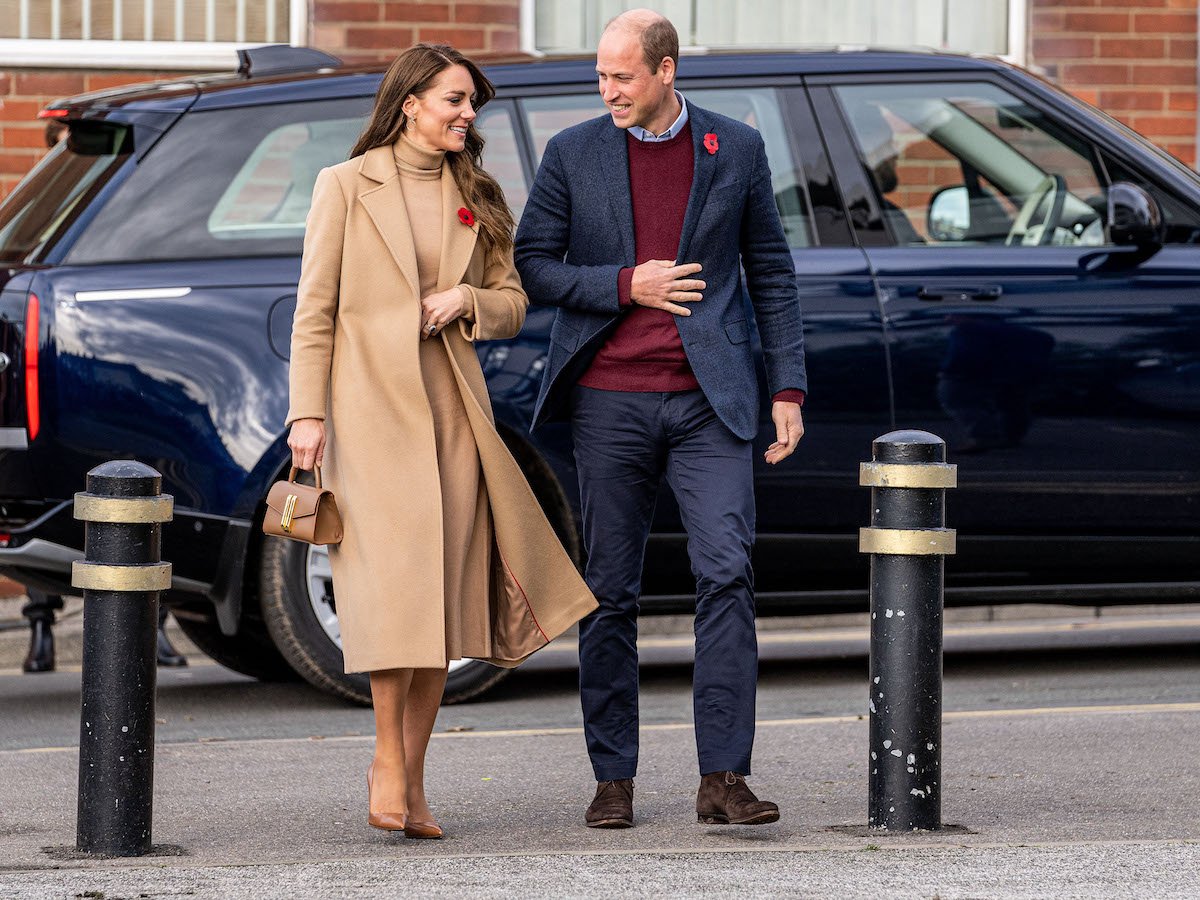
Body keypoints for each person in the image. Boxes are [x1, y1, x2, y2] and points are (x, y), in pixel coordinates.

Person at [286, 43, 596, 839]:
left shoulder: (477, 191)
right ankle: (388, 764)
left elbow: (514, 301)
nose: (467, 115)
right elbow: (314, 310)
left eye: (471, 105)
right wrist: (307, 417)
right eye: (455, 100)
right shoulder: (346, 187)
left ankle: (410, 784)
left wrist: (468, 299)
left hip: (454, 415)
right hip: (369, 415)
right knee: (392, 604)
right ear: (410, 102)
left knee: (440, 609)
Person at [514, 10, 807, 829]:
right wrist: (623, 285)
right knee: (610, 591)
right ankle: (614, 778)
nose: (607, 90)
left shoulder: (735, 149)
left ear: (667, 71)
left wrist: (788, 388)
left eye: (623, 76)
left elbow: (772, 275)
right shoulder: (572, 152)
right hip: (610, 401)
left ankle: (724, 778)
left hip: (711, 402)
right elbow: (533, 265)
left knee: (727, 572)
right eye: (601, 76)